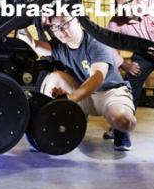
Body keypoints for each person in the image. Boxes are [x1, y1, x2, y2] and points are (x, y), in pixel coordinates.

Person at [17, 15, 136, 151]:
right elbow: (34, 45)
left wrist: (70, 98)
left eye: (65, 24)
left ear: (78, 20)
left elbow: (97, 78)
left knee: (124, 121)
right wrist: (21, 25)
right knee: (54, 77)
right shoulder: (60, 46)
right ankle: (49, 127)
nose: (61, 31)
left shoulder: (96, 41)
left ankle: (120, 132)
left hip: (109, 92)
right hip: (83, 93)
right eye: (55, 27)